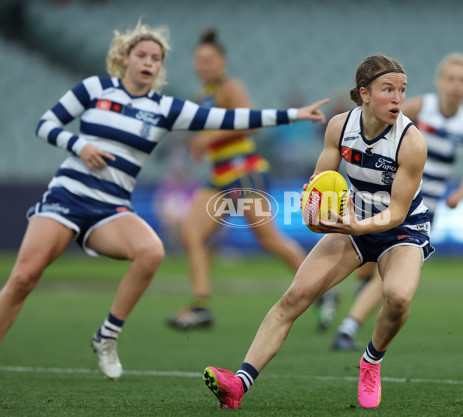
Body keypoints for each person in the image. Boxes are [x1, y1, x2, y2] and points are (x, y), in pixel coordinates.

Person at [0, 20, 328, 380]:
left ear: (160, 67)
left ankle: (107, 336)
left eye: (156, 58)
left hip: (112, 207)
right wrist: (80, 144)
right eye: (142, 54)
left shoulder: (165, 108)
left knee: (152, 251)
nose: (148, 62)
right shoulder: (94, 88)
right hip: (68, 195)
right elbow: (46, 124)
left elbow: (233, 118)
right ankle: (203, 303)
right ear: (125, 57)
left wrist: (293, 114)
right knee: (24, 277)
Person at [203, 54, 434, 409]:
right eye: (388, 89)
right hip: (352, 223)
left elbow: (397, 212)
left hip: (402, 229)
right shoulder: (339, 127)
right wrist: (313, 208)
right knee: (293, 299)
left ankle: (371, 361)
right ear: (365, 93)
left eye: (402, 90)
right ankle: (238, 384)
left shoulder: (411, 141)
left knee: (399, 297)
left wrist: (357, 224)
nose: (398, 98)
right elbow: (318, 183)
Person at [331, 52, 463, 351]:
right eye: (451, 78)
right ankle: (345, 313)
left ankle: (348, 327)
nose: (456, 86)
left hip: (421, 211)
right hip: (382, 201)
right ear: (440, 81)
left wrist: (462, 191)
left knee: (389, 279)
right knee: (367, 270)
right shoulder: (417, 107)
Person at [165, 29, 311, 330]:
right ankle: (201, 307)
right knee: (191, 233)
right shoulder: (203, 94)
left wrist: (207, 139)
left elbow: (251, 122)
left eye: (209, 60)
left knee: (268, 239)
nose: (202, 66)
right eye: (198, 60)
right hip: (220, 176)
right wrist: (202, 142)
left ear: (222, 62)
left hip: (244, 171)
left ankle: (321, 289)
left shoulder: (229, 86)